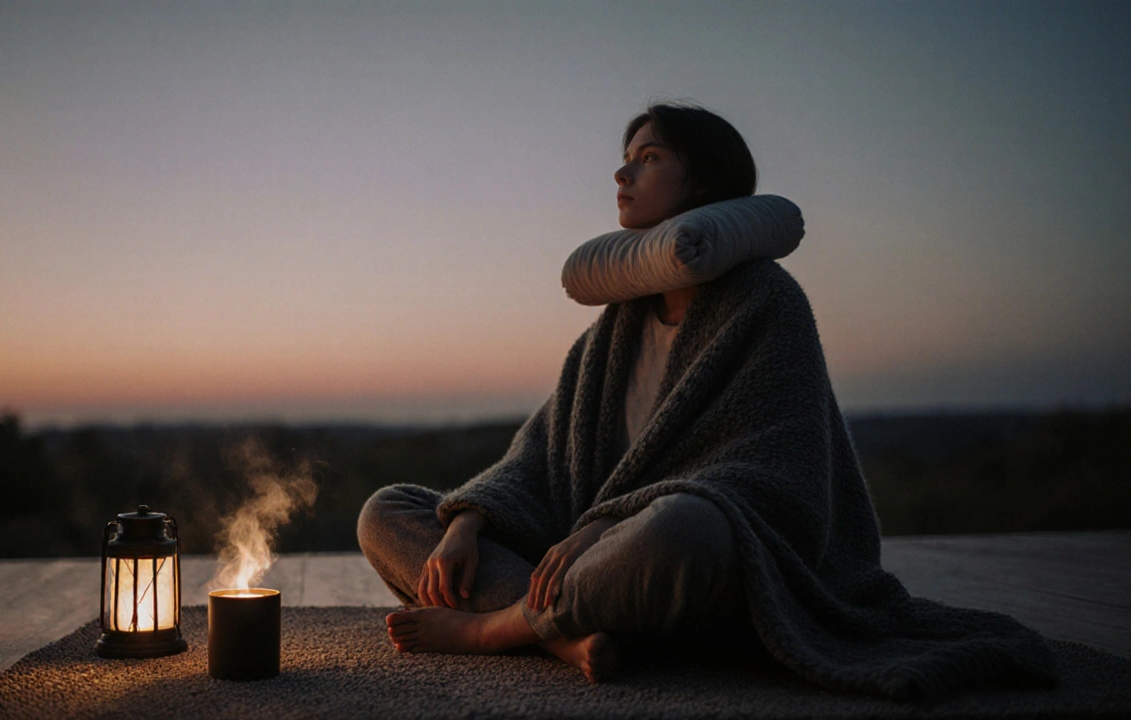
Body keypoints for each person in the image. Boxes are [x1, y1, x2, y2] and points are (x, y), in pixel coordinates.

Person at [356, 103, 1054, 700]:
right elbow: (539, 453)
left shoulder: (767, 303)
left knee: (684, 527)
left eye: (649, 157)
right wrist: (469, 523)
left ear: (704, 182)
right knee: (389, 510)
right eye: (625, 158)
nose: (622, 174)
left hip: (697, 560)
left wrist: (604, 527)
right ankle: (567, 633)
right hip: (591, 566)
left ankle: (496, 628)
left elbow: (772, 471)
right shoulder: (616, 325)